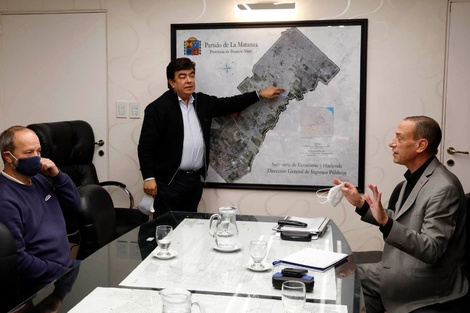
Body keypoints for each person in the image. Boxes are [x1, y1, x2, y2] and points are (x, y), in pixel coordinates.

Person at [334, 116, 468, 313]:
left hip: (424, 281)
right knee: (339, 273)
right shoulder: (414, 177)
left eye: (400, 138)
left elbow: (431, 250)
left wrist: (386, 222)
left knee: (345, 282)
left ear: (421, 145)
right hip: (395, 267)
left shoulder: (444, 188)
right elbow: (401, 221)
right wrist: (362, 204)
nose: (391, 143)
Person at [138, 57, 284, 215]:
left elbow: (230, 104)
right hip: (169, 181)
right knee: (167, 227)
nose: (189, 80)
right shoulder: (157, 109)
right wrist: (148, 177)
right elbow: (146, 146)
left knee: (189, 225)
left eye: (191, 75)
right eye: (182, 76)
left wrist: (260, 94)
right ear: (172, 82)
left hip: (193, 181)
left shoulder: (202, 102)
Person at [0, 126, 82, 302]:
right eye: (29, 152)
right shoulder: (5, 199)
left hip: (67, 268)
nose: (37, 158)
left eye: (39, 151)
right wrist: (62, 275)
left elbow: (76, 206)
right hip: (43, 284)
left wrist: (58, 176)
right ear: (8, 157)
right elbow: (19, 260)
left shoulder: (40, 179)